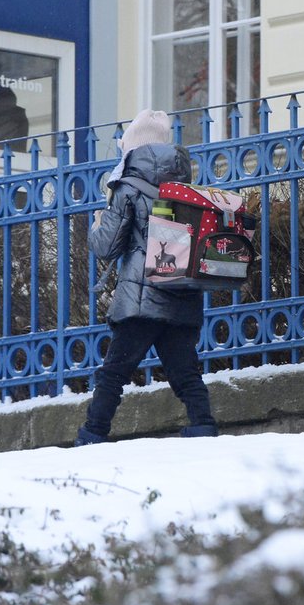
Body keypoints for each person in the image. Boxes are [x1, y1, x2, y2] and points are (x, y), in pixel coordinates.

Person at [75, 109, 218, 445]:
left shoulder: (128, 188)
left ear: (132, 148)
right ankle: (204, 427)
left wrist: (97, 225)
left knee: (114, 372)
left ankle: (93, 433)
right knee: (184, 372)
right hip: (181, 290)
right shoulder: (185, 186)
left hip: (141, 297)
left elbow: (107, 246)